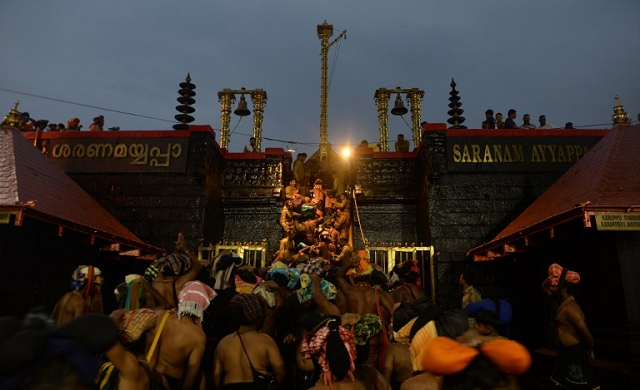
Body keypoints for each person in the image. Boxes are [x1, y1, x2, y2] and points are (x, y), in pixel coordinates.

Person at [542, 263, 599, 389]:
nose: (551, 288)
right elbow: (544, 286)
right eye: (552, 286)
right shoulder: (560, 301)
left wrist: (590, 350)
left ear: (564, 288)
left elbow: (586, 334)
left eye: (555, 286)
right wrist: (554, 275)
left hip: (576, 353)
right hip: (565, 353)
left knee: (583, 385)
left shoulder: (571, 309)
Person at [213, 293, 286, 389]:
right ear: (258, 315)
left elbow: (216, 376)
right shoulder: (266, 341)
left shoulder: (223, 343)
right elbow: (281, 373)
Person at [150, 281, 214, 389]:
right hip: (172, 383)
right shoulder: (198, 337)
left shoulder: (162, 317)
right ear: (203, 306)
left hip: (151, 377)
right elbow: (189, 380)